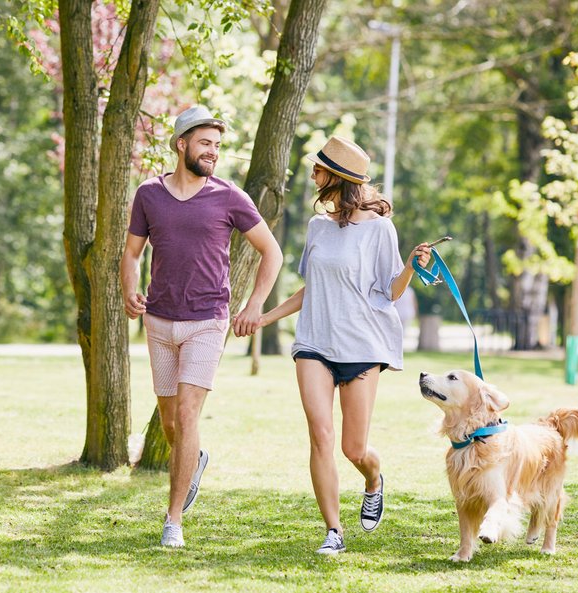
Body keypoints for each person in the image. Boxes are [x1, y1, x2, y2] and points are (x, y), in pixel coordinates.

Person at [252, 136, 430, 555]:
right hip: (314, 342)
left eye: (318, 169)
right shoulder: (317, 227)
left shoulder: (380, 228)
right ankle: (333, 531)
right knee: (320, 436)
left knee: (353, 448)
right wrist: (264, 318)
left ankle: (373, 479)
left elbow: (389, 292)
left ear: (338, 178)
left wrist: (408, 267)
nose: (312, 174)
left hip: (362, 347)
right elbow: (309, 289)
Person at [120, 105, 283, 548]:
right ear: (181, 144)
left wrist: (254, 304)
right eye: (205, 143)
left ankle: (173, 520)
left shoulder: (230, 196)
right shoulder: (149, 195)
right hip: (158, 320)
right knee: (172, 423)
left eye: (217, 145)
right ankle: (196, 458)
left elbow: (272, 253)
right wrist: (129, 289)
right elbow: (132, 253)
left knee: (189, 415)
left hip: (207, 322)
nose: (213, 152)